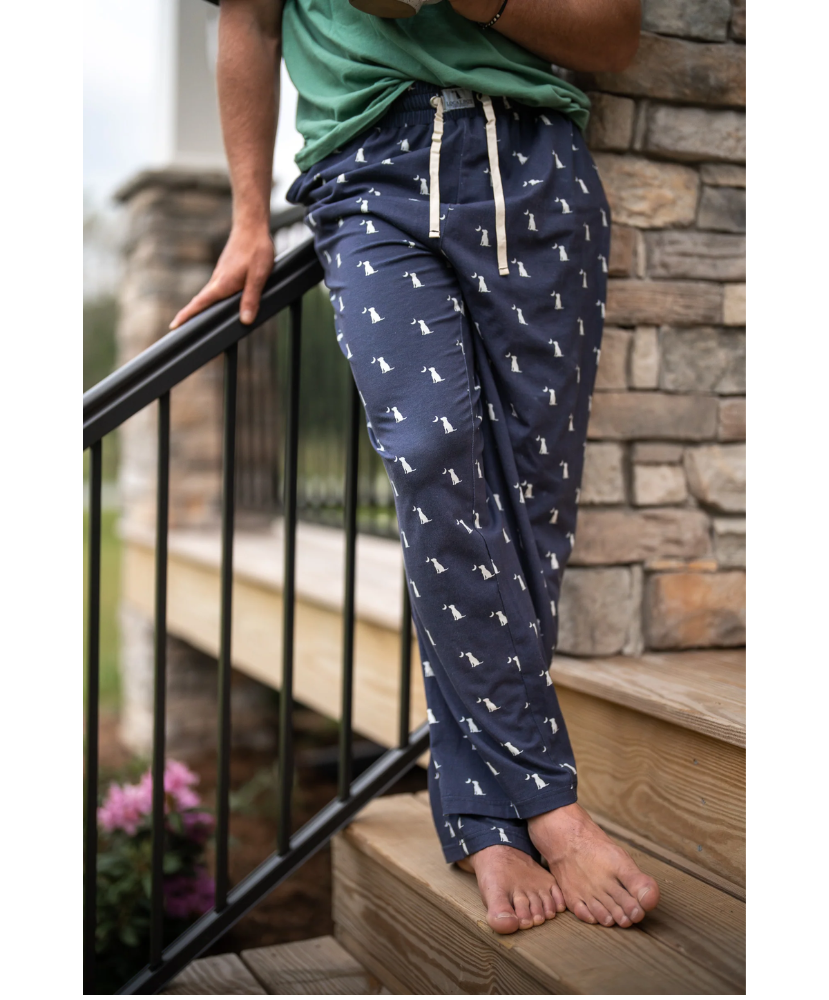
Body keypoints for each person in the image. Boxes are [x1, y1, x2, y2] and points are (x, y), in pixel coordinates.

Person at [172, 0, 660, 934]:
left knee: (530, 503)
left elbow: (618, 37)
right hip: (372, 174)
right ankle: (547, 800)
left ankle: (481, 811)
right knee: (435, 455)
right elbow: (249, 18)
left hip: (537, 165)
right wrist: (247, 215)